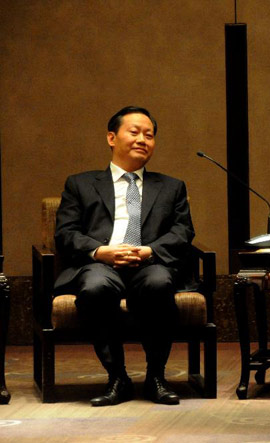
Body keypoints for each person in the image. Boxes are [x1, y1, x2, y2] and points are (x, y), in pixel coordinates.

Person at [54, 106, 195, 406]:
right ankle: (117, 377)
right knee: (95, 287)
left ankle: (156, 377)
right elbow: (66, 232)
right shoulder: (79, 184)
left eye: (149, 135)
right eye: (134, 132)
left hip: (149, 263)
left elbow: (183, 231)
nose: (142, 140)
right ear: (111, 138)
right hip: (100, 264)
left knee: (159, 283)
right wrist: (100, 251)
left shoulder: (172, 187)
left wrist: (151, 250)